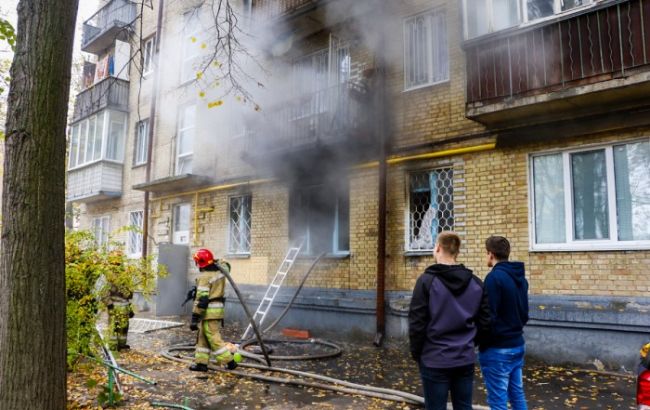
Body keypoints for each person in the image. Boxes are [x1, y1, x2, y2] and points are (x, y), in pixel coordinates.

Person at [409, 231, 491, 410]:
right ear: (457, 252)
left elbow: (417, 324)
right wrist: (469, 343)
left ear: (437, 248)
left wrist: (417, 353)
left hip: (434, 359)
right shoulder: (476, 283)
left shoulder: (425, 282)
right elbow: (485, 322)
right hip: (464, 359)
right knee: (463, 407)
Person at [479, 236, 529, 410]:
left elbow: (488, 317)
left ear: (491, 254)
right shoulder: (520, 279)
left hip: (498, 350)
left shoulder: (494, 278)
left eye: (486, 253)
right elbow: (524, 314)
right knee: (517, 395)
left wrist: (482, 343)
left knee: (498, 401)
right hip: (517, 344)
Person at [189, 248, 238, 372]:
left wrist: (195, 317)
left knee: (213, 338)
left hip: (208, 312)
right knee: (203, 337)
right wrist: (215, 262)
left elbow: (202, 299)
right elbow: (227, 266)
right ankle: (201, 363)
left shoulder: (204, 277)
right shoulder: (220, 273)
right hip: (216, 311)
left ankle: (230, 361)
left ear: (200, 263)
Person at [103, 251, 134, 352]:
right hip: (115, 306)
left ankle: (121, 345)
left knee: (123, 327)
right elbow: (104, 292)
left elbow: (129, 293)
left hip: (123, 307)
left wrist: (130, 308)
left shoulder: (124, 275)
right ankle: (113, 347)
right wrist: (109, 304)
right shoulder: (108, 275)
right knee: (114, 327)